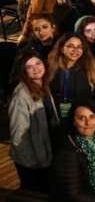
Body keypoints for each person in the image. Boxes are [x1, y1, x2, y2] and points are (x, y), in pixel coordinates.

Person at [9, 52, 57, 193]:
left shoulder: (44, 85)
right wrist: (31, 163)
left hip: (45, 155)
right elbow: (18, 134)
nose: (35, 69)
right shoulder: (21, 95)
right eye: (29, 67)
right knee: (33, 196)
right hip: (32, 161)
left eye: (38, 63)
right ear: (24, 71)